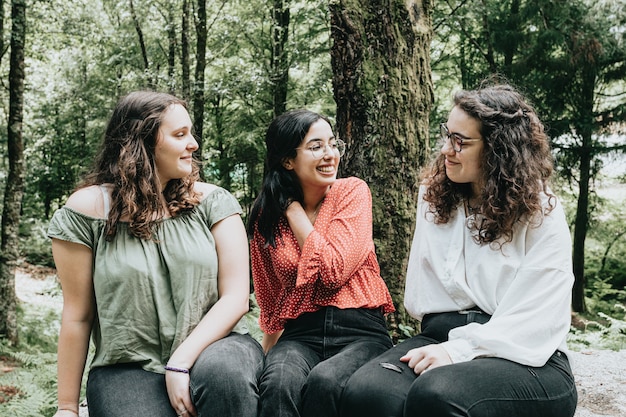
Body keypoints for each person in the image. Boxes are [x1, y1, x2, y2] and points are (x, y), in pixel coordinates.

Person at [340, 82, 578, 417]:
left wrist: (462, 349)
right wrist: (447, 345)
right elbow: (422, 298)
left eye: (460, 141)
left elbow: (537, 317)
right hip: (440, 335)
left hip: (526, 353)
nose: (446, 150)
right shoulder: (435, 198)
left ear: (498, 148)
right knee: (367, 392)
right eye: (447, 135)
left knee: (437, 395)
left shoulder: (540, 210)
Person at [48, 91, 263, 417]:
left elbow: (235, 298)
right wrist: (66, 407)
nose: (193, 144)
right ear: (141, 144)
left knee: (227, 379)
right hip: (126, 366)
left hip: (217, 347)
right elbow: (77, 315)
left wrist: (180, 362)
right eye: (180, 135)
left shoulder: (214, 202)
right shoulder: (85, 212)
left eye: (191, 133)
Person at [247, 109, 396, 417]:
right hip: (301, 334)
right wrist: (268, 353)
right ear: (288, 160)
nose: (331, 155)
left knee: (326, 382)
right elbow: (271, 297)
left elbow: (332, 271)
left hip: (361, 332)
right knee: (277, 382)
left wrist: (292, 209)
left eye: (333, 143)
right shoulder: (265, 216)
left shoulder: (351, 191)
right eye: (316, 146)